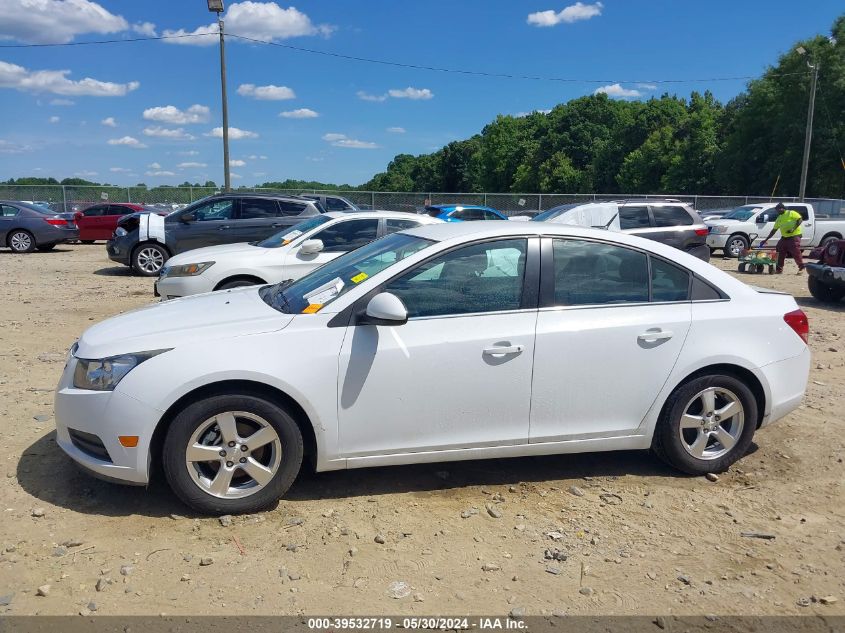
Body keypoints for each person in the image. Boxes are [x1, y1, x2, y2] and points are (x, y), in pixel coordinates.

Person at [760, 203, 805, 274]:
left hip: (794, 236)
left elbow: (800, 219)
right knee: (779, 250)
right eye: (777, 210)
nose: (778, 211)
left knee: (795, 251)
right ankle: (779, 269)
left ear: (783, 208)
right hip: (784, 237)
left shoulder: (791, 213)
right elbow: (774, 230)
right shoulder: (779, 218)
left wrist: (793, 229)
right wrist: (766, 239)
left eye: (779, 209)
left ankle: (801, 267)